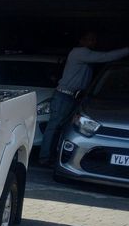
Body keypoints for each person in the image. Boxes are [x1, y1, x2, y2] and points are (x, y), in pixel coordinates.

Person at [38, 32, 129, 166]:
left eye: (94, 39)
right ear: (81, 41)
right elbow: (106, 57)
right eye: (89, 39)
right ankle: (44, 158)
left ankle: (52, 157)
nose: (93, 42)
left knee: (61, 128)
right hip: (64, 95)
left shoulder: (84, 54)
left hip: (71, 97)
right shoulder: (80, 52)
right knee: (54, 127)